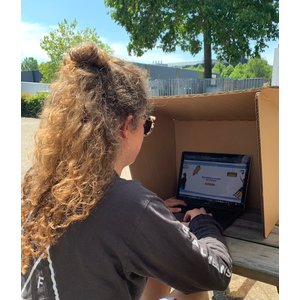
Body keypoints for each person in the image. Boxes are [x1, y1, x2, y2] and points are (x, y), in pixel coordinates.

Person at [21, 42, 232, 300]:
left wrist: (154, 219)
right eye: (147, 126)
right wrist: (203, 222)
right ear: (126, 125)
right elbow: (216, 273)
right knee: (195, 287)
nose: (146, 134)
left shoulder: (36, 183)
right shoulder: (129, 205)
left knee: (161, 263)